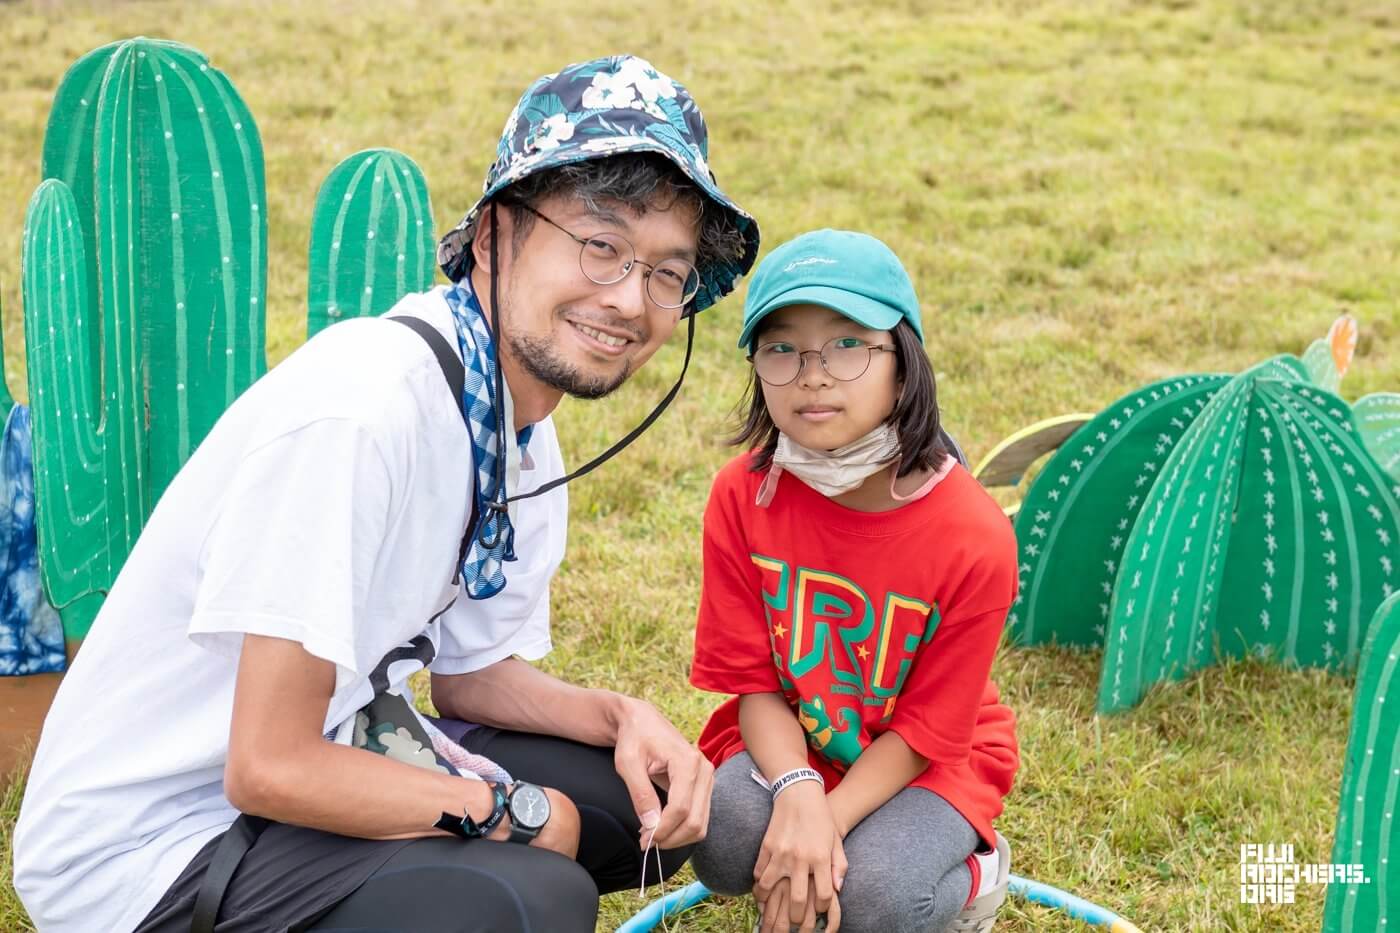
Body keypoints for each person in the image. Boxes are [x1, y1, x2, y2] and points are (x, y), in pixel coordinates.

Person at [14, 54, 758, 933]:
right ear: (494, 236)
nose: (630, 299)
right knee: (533, 897)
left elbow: (469, 677)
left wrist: (623, 716)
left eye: (666, 272)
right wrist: (508, 814)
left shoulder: (515, 420)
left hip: (323, 754)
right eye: (601, 245)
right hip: (151, 845)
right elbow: (265, 765)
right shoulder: (364, 413)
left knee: (639, 803)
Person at [687, 230, 1019, 933]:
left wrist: (820, 825)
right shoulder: (742, 496)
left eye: (848, 344)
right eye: (782, 347)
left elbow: (929, 730)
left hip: (922, 759)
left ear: (904, 363)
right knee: (715, 841)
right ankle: (810, 861)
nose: (813, 374)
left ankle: (976, 873)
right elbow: (755, 683)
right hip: (799, 735)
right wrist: (799, 789)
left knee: (872, 901)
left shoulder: (975, 535)